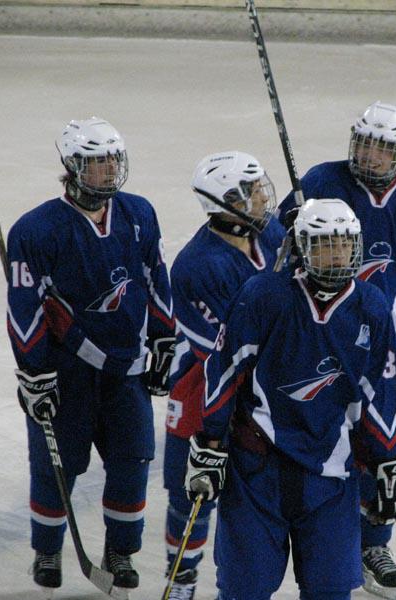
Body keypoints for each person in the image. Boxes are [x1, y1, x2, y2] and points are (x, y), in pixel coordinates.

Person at [184, 198, 396, 600]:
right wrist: (211, 443)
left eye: (343, 244)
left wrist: (388, 456)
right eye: (324, 244)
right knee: (244, 590)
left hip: (330, 473)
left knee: (330, 591)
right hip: (258, 469)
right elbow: (224, 370)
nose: (336, 254)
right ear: (301, 248)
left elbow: (384, 391)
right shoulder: (263, 296)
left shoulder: (372, 308)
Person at [5, 117, 175, 596]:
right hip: (67, 372)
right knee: (56, 465)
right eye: (96, 162)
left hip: (127, 370)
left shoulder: (139, 213)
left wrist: (164, 339)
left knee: (132, 460)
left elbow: (156, 278)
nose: (108, 170)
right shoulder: (36, 229)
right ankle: (47, 550)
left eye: (112, 160)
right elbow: (24, 308)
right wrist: (34, 373)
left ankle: (120, 552)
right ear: (72, 166)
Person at [277, 101, 396, 598]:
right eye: (365, 144)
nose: (370, 156)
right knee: (324, 431)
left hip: (382, 340)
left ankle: (374, 543)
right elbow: (280, 249)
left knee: (383, 435)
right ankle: (321, 536)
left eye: (382, 149)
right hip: (322, 331)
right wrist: (291, 225)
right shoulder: (321, 181)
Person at [161, 151, 284, 598]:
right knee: (190, 495)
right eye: (250, 191)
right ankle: (181, 578)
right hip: (205, 389)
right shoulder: (196, 268)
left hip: (268, 388)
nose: (262, 198)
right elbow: (221, 353)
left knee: (250, 499)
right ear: (225, 203)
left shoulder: (272, 233)